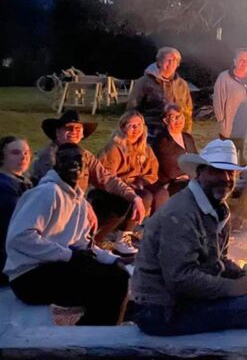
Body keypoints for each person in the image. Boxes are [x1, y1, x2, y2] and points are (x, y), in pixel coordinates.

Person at [131, 139, 247, 335]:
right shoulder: (181, 213)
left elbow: (218, 259)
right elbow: (180, 278)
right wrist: (231, 288)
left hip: (178, 301)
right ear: (200, 173)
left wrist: (244, 278)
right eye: (216, 172)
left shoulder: (217, 209)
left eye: (230, 173)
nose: (225, 179)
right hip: (159, 309)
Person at [4, 143, 130, 325]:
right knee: (110, 284)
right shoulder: (47, 193)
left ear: (86, 165)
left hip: (55, 265)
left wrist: (112, 259)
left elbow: (80, 242)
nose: (74, 164)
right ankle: (93, 340)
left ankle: (92, 333)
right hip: (28, 276)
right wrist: (68, 255)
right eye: (65, 159)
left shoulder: (77, 198)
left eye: (78, 159)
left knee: (118, 274)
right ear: (56, 164)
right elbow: (20, 238)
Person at [28, 110, 145, 245]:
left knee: (121, 201)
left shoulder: (84, 155)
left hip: (78, 206)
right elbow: (58, 191)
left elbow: (107, 179)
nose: (74, 131)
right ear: (57, 132)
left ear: (82, 133)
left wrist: (134, 197)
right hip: (52, 211)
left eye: (78, 128)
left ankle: (94, 241)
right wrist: (84, 205)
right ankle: (69, 243)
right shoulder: (49, 156)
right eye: (68, 128)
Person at [97, 111, 161, 255]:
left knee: (153, 194)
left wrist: (140, 181)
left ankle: (131, 236)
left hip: (135, 186)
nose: (136, 130)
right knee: (144, 197)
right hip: (113, 189)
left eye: (139, 125)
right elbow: (107, 177)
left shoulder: (145, 149)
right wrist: (126, 185)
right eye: (131, 126)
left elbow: (153, 172)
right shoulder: (114, 148)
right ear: (123, 127)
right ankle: (114, 238)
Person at [128, 46, 193, 139]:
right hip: (152, 132)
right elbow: (132, 109)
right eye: (168, 60)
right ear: (159, 62)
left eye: (175, 60)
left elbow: (188, 111)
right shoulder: (144, 82)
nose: (171, 63)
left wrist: (187, 134)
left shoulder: (182, 85)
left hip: (177, 133)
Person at [213, 48, 247, 155]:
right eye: (241, 60)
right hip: (232, 130)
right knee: (229, 162)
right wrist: (222, 121)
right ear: (234, 61)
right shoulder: (224, 78)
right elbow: (217, 101)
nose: (245, 63)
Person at [0, 136, 32, 285]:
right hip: (9, 263)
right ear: (2, 157)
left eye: (26, 152)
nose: (23, 157)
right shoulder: (4, 187)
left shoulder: (24, 182)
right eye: (15, 153)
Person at [153, 103, 198, 196]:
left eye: (181, 117)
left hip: (190, 179)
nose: (179, 121)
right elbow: (171, 171)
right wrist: (189, 172)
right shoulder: (162, 141)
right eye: (174, 117)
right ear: (166, 120)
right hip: (171, 184)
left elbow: (197, 161)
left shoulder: (188, 137)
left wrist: (189, 175)